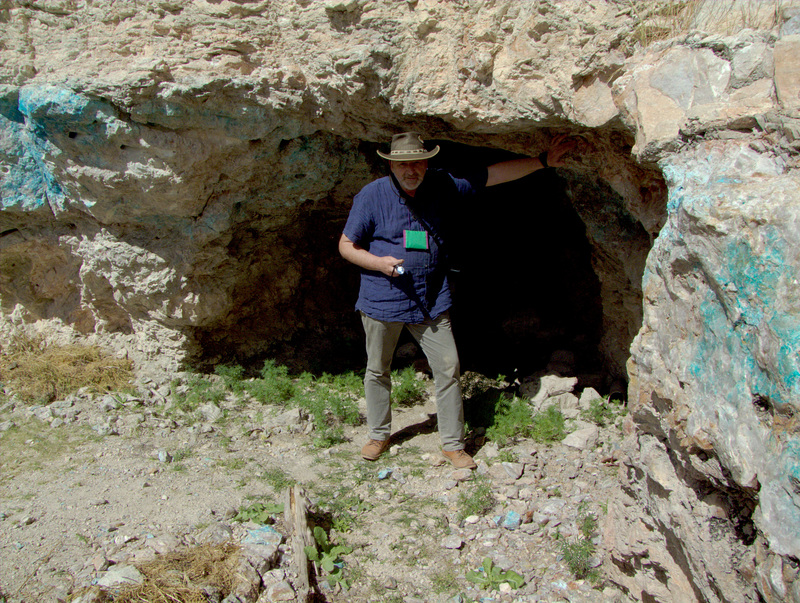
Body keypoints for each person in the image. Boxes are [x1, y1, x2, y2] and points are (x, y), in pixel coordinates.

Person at [339, 132, 574, 469]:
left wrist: (542, 162)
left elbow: (492, 174)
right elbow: (346, 245)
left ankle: (452, 443)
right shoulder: (371, 196)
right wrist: (378, 264)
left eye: (418, 162)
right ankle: (378, 435)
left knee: (448, 367)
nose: (411, 169)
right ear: (391, 164)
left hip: (430, 299)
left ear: (427, 162)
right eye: (404, 163)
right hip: (383, 299)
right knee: (378, 369)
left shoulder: (442, 185)